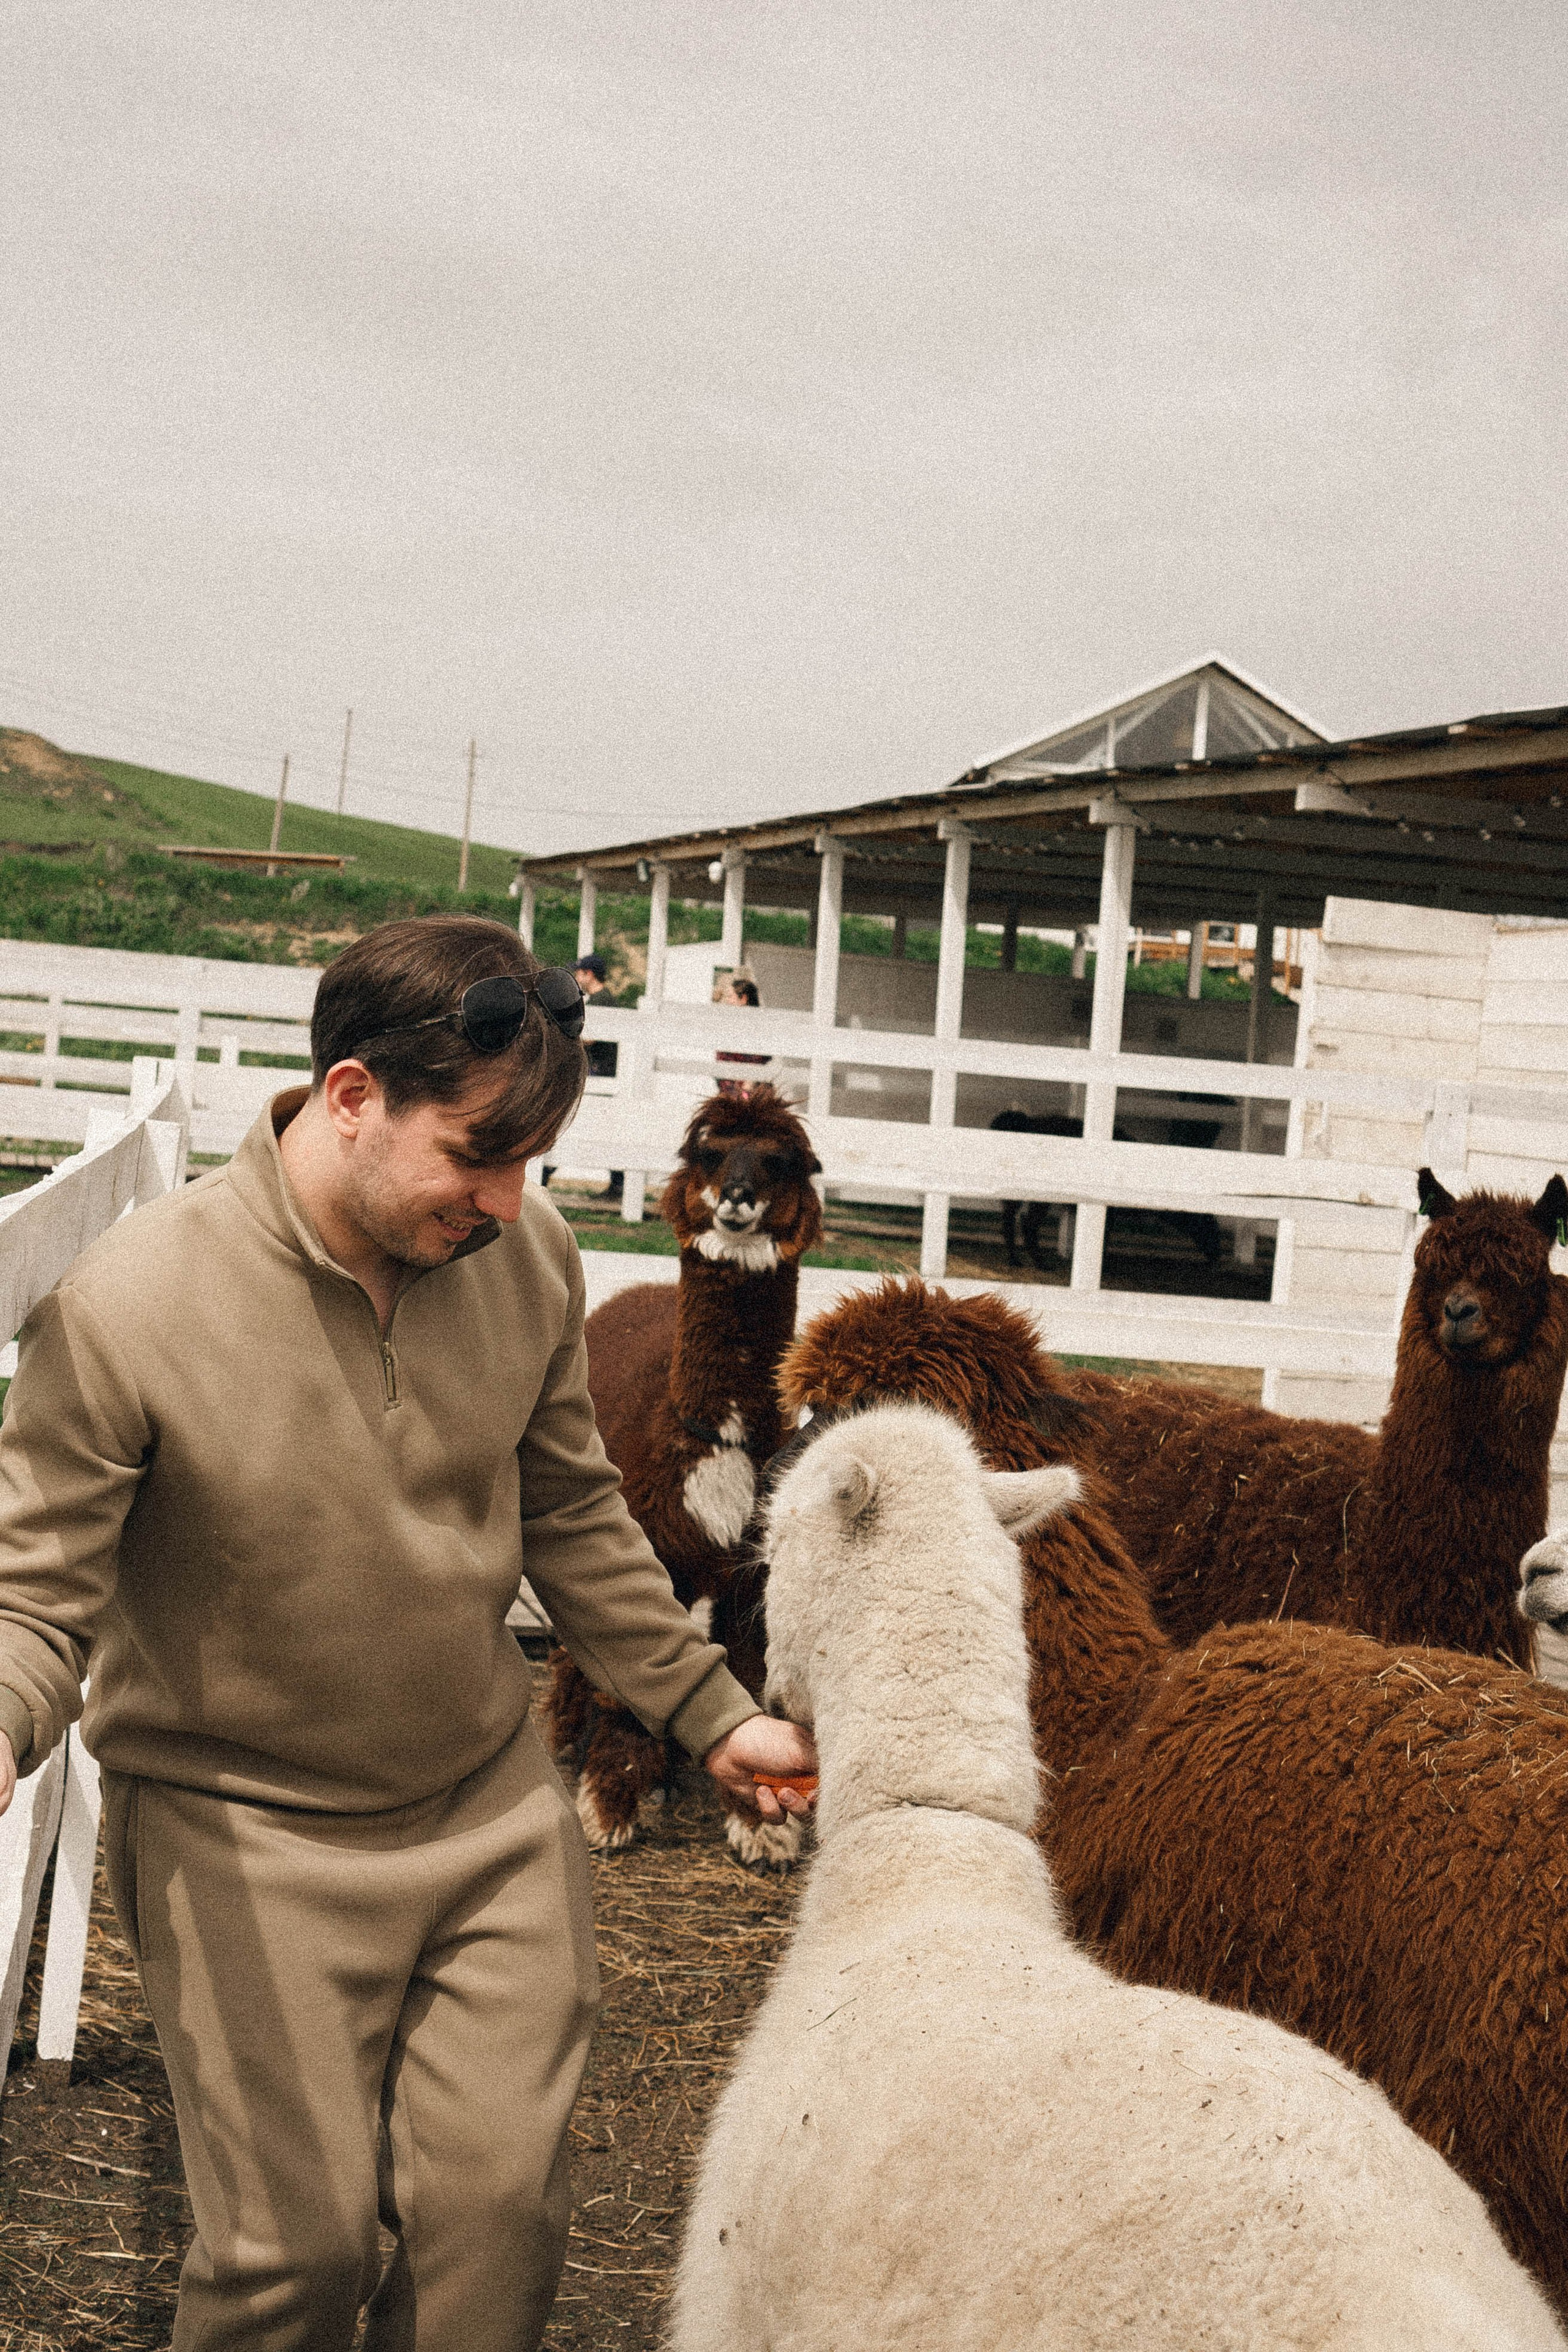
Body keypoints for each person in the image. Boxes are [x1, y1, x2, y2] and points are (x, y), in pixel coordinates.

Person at [0, 914, 815, 2352]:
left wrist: (712, 1712)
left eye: (530, 1161)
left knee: (494, 2233)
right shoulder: (129, 1308)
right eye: (475, 1155)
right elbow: (33, 1591)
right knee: (291, 2260)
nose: (507, 1200)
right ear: (352, 1094)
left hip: (483, 1816)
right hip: (239, 1833)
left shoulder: (527, 1257)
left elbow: (571, 1512)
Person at [541, 951, 622, 1199]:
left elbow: (589, 1038)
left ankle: (544, 1174)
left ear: (589, 974)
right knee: (595, 1127)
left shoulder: (601, 1002)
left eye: (579, 973)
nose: (576, 977)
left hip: (599, 1075)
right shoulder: (604, 999)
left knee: (575, 1122)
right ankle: (618, 1182)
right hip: (600, 1074)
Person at [714, 963, 771, 1099]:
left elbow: (759, 1059)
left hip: (747, 1092)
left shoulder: (757, 1027)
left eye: (731, 997)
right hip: (729, 1089)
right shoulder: (730, 1025)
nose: (728, 1001)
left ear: (743, 999)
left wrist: (746, 1091)